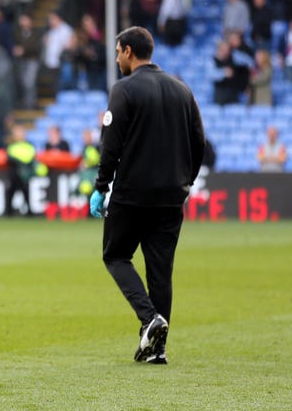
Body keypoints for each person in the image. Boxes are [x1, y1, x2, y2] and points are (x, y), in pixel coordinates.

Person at [89, 26, 205, 365]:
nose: (116, 58)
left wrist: (101, 186)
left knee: (115, 255)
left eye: (116, 52)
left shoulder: (124, 89)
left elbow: (110, 144)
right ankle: (158, 349)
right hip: (172, 195)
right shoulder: (182, 89)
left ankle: (149, 318)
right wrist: (187, 180)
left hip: (133, 192)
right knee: (160, 271)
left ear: (127, 51)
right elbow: (199, 141)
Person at [5, 124, 37, 216]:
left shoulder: (29, 146)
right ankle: (8, 212)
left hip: (24, 175)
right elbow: (9, 159)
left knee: (26, 194)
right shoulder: (11, 146)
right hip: (14, 174)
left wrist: (20, 162)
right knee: (10, 193)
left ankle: (29, 212)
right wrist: (21, 162)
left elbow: (31, 158)